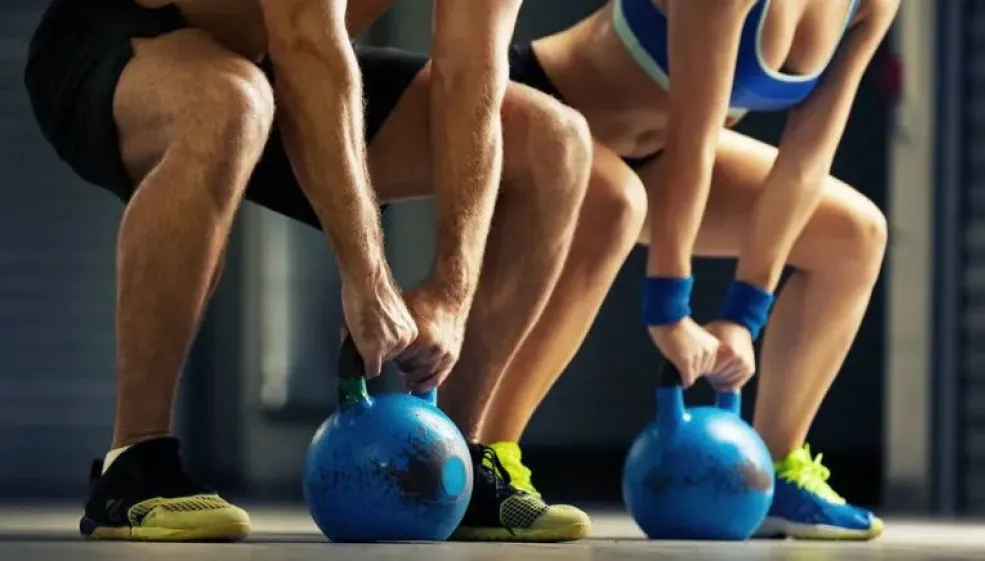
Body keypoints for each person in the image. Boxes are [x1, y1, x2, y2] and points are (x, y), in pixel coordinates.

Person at [23, 0, 600, 542]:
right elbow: (306, 40)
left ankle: (455, 461)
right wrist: (367, 275)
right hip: (125, 41)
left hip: (270, 64)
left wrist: (452, 291)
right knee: (231, 100)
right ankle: (133, 467)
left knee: (556, 142)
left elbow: (472, 77)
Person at [439, 0, 898, 541]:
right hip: (543, 119)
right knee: (616, 204)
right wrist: (669, 308)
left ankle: (776, 470)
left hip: (653, 163)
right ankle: (485, 460)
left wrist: (743, 315)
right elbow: (694, 141)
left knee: (854, 235)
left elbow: (804, 161)